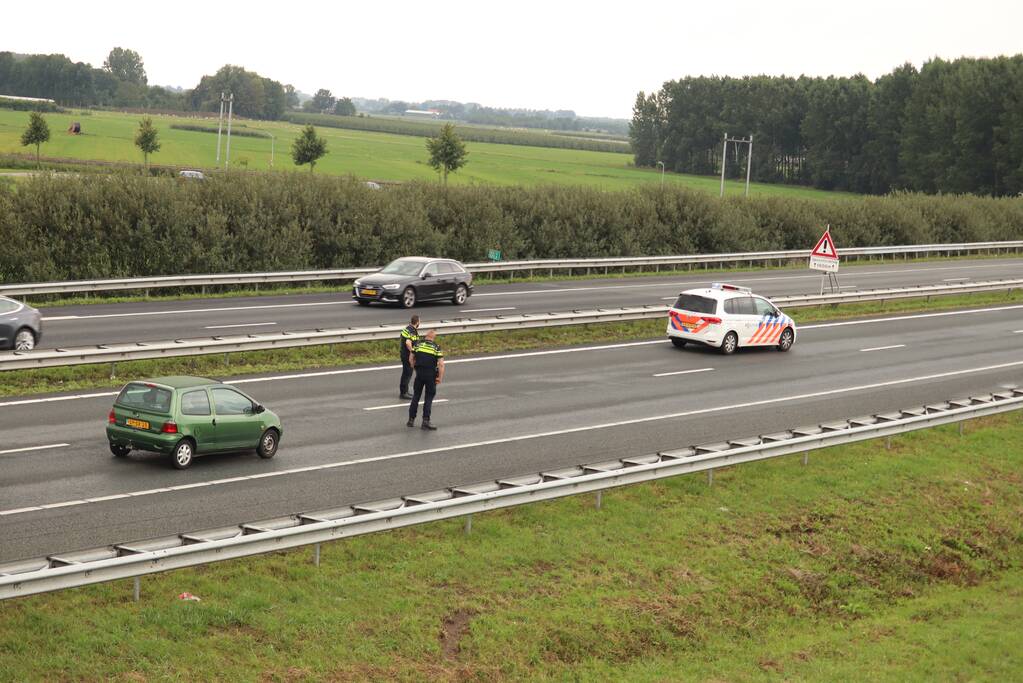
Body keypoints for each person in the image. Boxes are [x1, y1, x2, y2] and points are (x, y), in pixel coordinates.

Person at [407, 329, 444, 430]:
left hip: (419, 374)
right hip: (430, 375)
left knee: (416, 396)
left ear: (426, 336)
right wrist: (439, 378)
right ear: (433, 338)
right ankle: (425, 421)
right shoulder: (436, 347)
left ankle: (411, 420)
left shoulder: (418, 344)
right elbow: (441, 364)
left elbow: (411, 358)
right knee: (429, 397)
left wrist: (415, 368)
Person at [398, 315, 420, 399]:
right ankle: (404, 393)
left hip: (404, 354)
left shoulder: (407, 328)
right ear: (417, 322)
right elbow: (408, 342)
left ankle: (404, 391)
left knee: (406, 373)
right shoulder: (412, 331)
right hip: (407, 356)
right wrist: (413, 352)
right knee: (408, 374)